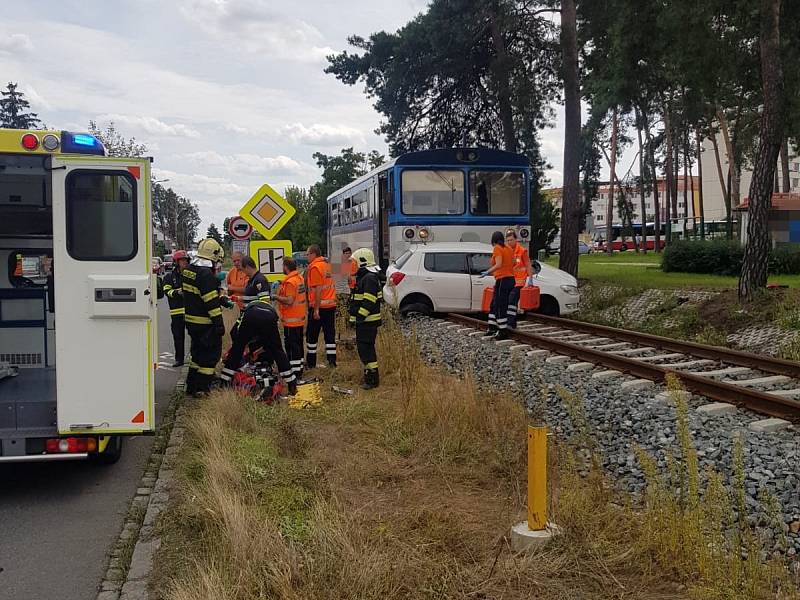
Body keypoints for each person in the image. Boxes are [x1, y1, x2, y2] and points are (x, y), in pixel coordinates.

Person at [220, 294, 297, 396]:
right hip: (269, 317)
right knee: (278, 351)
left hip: (251, 316)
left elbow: (234, 332)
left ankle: (224, 381)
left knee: (237, 350)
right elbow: (272, 344)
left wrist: (241, 346)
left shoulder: (246, 311)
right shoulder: (271, 312)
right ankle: (292, 383)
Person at [182, 238, 226, 396]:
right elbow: (211, 303)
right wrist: (219, 324)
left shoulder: (189, 270)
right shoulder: (206, 275)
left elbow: (196, 295)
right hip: (205, 323)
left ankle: (191, 385)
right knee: (209, 357)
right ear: (213, 256)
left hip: (191, 321)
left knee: (197, 354)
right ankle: (202, 389)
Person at [349, 248, 383, 389]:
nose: (352, 265)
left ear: (362, 262)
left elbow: (369, 301)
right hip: (365, 322)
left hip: (368, 322)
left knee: (366, 350)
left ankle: (372, 380)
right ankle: (369, 376)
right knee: (365, 350)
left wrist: (359, 318)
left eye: (354, 262)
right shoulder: (365, 277)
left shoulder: (369, 278)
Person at [305, 244, 337, 368]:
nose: (307, 257)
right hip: (330, 305)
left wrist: (316, 309)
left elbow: (318, 289)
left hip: (319, 306)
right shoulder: (327, 265)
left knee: (312, 336)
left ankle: (311, 363)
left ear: (313, 254)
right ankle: (332, 361)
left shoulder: (315, 268)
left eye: (307, 254)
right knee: (330, 335)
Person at [275, 256, 307, 381]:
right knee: (298, 345)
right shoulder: (299, 278)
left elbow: (289, 300)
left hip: (291, 320)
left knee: (292, 347)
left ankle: (294, 374)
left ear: (286, 267)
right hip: (299, 318)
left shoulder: (289, 282)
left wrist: (276, 297)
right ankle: (299, 369)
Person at [482, 231, 515, 340]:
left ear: (493, 240)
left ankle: (502, 330)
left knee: (500, 305)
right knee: (494, 304)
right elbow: (514, 262)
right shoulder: (509, 248)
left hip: (502, 280)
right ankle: (492, 327)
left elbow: (498, 264)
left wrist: (488, 271)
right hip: (510, 279)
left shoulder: (497, 248)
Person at [162, 249, 190, 366]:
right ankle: (179, 359)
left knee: (196, 335)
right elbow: (166, 290)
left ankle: (194, 358)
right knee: (178, 337)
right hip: (176, 313)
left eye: (186, 260)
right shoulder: (169, 277)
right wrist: (177, 292)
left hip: (191, 312)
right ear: (176, 262)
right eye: (182, 261)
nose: (185, 263)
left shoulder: (191, 275)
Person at [505, 229, 533, 329]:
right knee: (510, 302)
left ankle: (510, 323)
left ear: (516, 240)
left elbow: (528, 265)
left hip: (519, 281)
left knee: (511, 301)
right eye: (508, 240)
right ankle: (512, 323)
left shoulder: (522, 251)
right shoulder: (507, 250)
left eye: (511, 240)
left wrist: (530, 278)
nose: (509, 242)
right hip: (509, 280)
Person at [341, 247, 357, 326]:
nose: (347, 255)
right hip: (345, 288)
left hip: (353, 286)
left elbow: (356, 272)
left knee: (353, 304)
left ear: (351, 253)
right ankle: (346, 321)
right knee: (346, 305)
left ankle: (352, 321)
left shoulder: (354, 262)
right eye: (345, 253)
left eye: (348, 253)